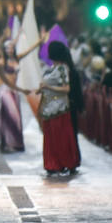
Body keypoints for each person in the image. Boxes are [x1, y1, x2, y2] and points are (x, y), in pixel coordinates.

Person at [36, 41, 81, 175]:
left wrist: (48, 87)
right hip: (48, 108)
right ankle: (53, 164)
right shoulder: (51, 69)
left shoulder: (62, 69)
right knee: (51, 138)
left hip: (59, 108)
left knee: (61, 137)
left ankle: (65, 162)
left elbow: (66, 89)